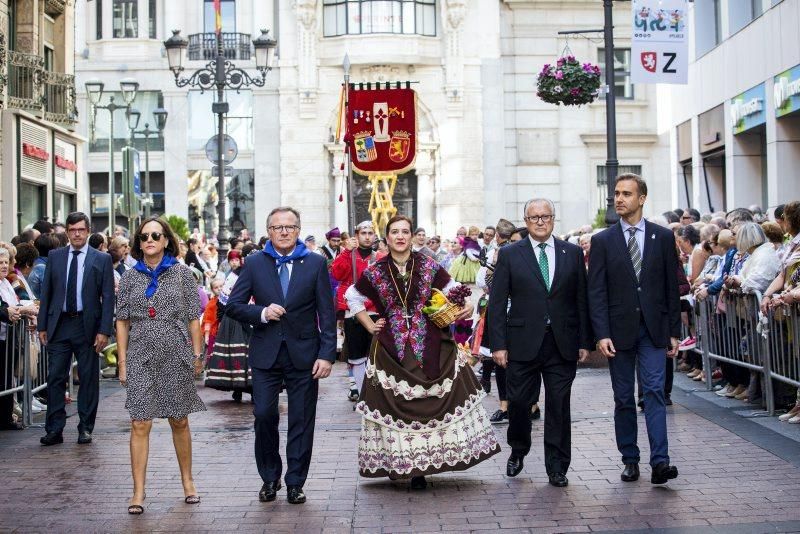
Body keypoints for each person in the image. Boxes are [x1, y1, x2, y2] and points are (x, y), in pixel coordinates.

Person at [345, 215, 500, 490]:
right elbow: (352, 296)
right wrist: (370, 326)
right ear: (387, 237)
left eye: (405, 231)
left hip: (430, 341)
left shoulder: (428, 264)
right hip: (390, 346)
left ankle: (423, 467)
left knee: (429, 403)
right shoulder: (376, 270)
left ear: (411, 236)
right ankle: (401, 462)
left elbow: (454, 288)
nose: (401, 236)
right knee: (395, 407)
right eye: (395, 232)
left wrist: (463, 305)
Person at [226, 207, 336, 505]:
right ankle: (270, 476)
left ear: (298, 230)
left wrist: (327, 354)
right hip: (266, 353)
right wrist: (260, 312)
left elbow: (327, 313)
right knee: (264, 415)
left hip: (304, 354)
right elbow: (233, 305)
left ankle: (295, 482)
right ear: (269, 231)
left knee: (301, 420)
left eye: (289, 227)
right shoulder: (254, 263)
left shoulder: (315, 263)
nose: (284, 232)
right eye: (278, 227)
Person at [488, 200, 591, 487]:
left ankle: (557, 466)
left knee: (559, 405)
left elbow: (580, 299)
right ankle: (518, 448)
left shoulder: (571, 253)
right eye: (534, 217)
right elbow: (497, 303)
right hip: (521, 342)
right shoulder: (510, 254)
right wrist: (498, 344)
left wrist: (584, 340)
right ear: (526, 220)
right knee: (519, 402)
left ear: (553, 219)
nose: (540, 221)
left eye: (545, 216)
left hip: (562, 342)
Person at [588, 174, 681, 485]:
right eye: (616, 193)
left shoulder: (663, 237)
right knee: (623, 397)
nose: (619, 198)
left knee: (654, 392)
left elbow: (671, 287)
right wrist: (601, 333)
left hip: (653, 330)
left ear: (642, 198)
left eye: (626, 193)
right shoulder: (603, 241)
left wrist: (673, 331)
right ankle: (630, 458)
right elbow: (597, 291)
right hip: (618, 332)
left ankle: (660, 462)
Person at [116, 216, 206, 514]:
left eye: (156, 235)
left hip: (175, 351)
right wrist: (122, 361)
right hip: (140, 351)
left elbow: (194, 317)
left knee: (179, 420)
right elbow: (122, 320)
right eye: (144, 237)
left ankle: (188, 482)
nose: (150, 240)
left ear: (167, 239)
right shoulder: (129, 277)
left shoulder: (183, 274)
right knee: (140, 422)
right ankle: (138, 492)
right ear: (138, 243)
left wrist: (197, 354)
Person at [37, 212, 115, 446]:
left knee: (89, 378)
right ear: (67, 233)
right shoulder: (55, 256)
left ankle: (85, 427)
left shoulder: (101, 259)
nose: (77, 234)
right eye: (72, 230)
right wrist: (42, 325)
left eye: (81, 229)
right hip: (59, 324)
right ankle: (54, 429)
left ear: (88, 230)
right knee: (55, 378)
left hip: (87, 326)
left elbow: (108, 297)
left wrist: (104, 330)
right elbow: (47, 293)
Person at [331, 221, 380, 401]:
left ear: (375, 236)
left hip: (374, 311)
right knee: (356, 354)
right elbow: (337, 274)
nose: (367, 236)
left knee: (375, 354)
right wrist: (346, 252)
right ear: (357, 236)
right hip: (352, 311)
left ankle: (375, 393)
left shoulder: (380, 257)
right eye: (363, 233)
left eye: (370, 233)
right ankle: (361, 393)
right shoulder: (347, 255)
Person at [205, 250, 253, 402]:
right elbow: (223, 300)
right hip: (235, 319)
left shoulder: (257, 273)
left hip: (254, 316)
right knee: (239, 353)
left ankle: (253, 389)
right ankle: (238, 388)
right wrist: (222, 319)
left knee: (251, 354)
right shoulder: (234, 275)